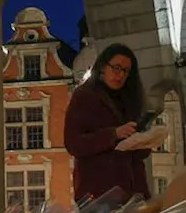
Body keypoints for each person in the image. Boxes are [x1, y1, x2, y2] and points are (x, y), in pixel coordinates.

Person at [64, 43, 151, 202]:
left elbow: (137, 156)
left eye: (126, 71)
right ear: (103, 67)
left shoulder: (130, 99)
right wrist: (114, 133)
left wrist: (145, 141)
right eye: (116, 68)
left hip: (132, 192)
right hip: (97, 193)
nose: (120, 75)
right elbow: (73, 143)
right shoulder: (84, 96)